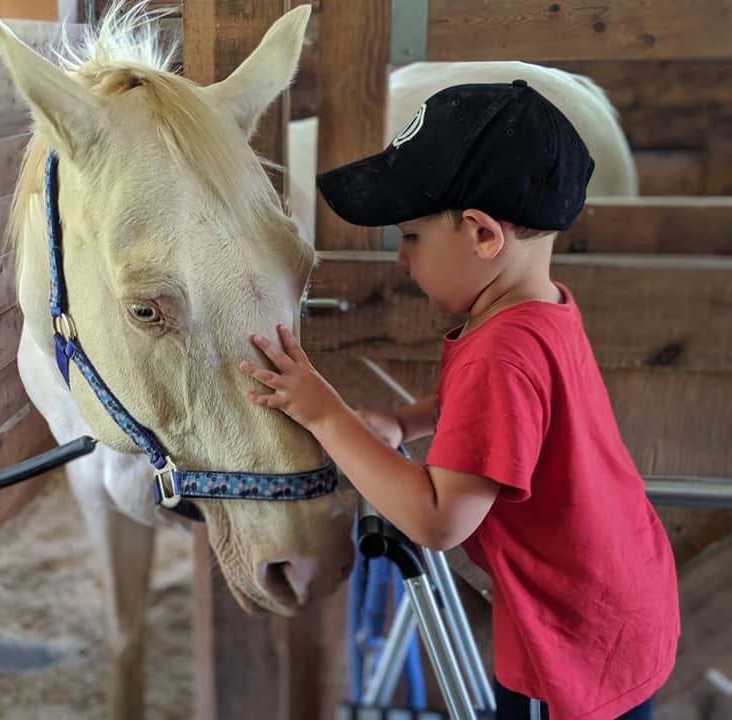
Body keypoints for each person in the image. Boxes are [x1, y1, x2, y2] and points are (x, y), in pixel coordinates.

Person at [238, 80, 679, 720]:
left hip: (571, 646)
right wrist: (402, 420)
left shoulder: (500, 353)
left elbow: (440, 520)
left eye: (409, 237)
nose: (400, 261)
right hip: (622, 599)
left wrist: (325, 414)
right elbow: (501, 414)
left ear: (481, 234)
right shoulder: (539, 312)